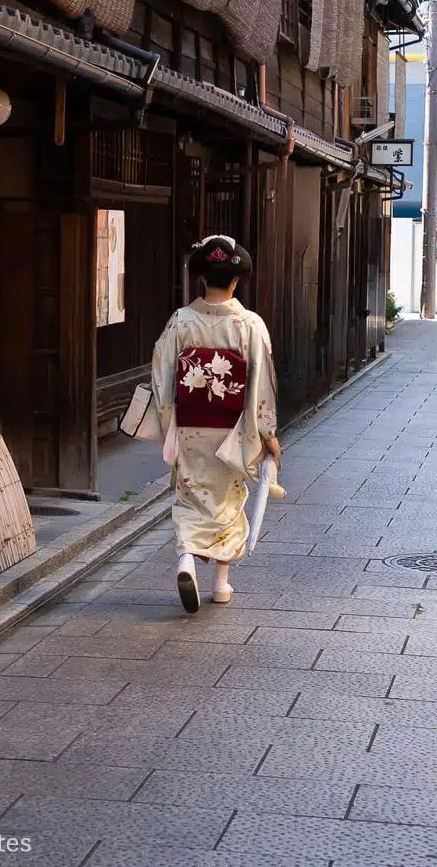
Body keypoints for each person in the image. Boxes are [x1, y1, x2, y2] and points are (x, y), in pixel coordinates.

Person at [151, 234, 281, 612]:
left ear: (201, 279)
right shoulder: (249, 325)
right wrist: (267, 434)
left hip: (192, 428)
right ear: (237, 281)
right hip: (233, 431)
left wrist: (170, 419)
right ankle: (221, 583)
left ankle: (186, 560)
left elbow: (162, 374)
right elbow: (261, 386)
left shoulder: (181, 321)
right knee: (228, 501)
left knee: (191, 496)